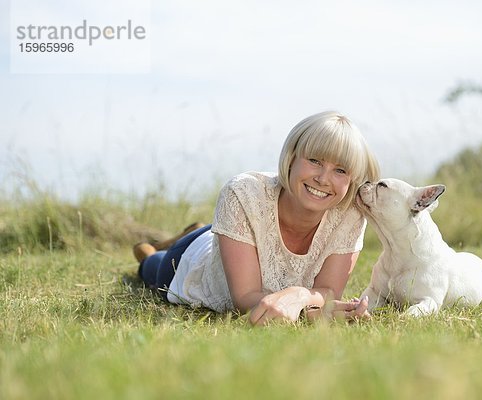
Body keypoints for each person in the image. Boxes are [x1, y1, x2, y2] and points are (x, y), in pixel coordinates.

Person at [133, 111, 380, 325]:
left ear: (352, 179)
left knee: (207, 233)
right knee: (152, 266)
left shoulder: (351, 213)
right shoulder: (242, 193)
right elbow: (245, 300)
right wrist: (310, 313)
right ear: (291, 157)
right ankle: (168, 245)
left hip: (234, 237)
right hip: (197, 256)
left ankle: (199, 229)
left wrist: (301, 296)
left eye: (340, 170)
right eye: (315, 160)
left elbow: (328, 291)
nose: (323, 179)